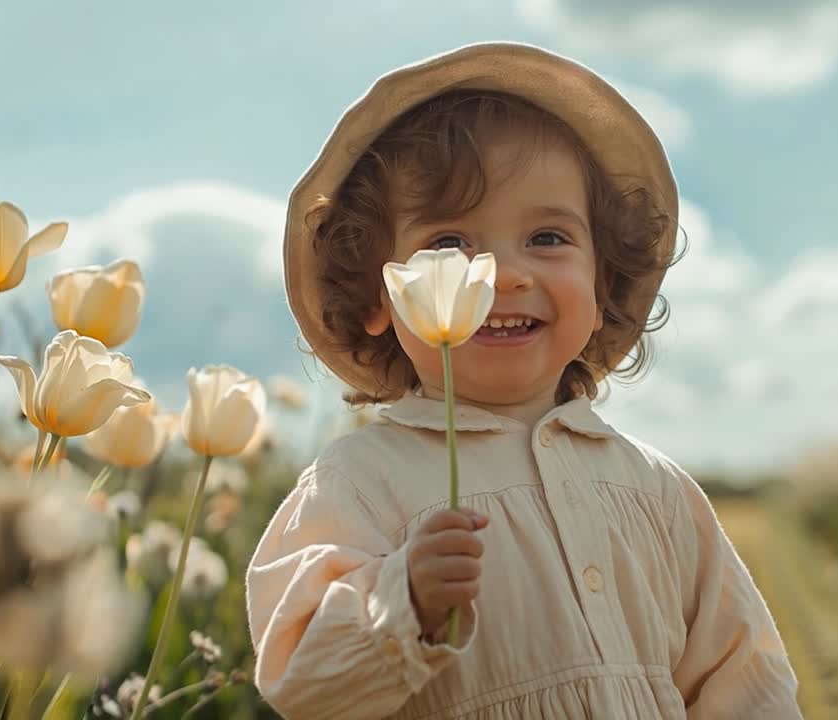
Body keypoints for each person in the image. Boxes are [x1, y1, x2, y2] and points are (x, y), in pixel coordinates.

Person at [246, 42, 803, 719]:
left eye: (547, 238)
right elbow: (303, 685)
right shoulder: (358, 482)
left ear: (604, 286)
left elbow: (741, 675)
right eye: (449, 245)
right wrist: (403, 602)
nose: (504, 274)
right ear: (376, 298)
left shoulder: (656, 490)